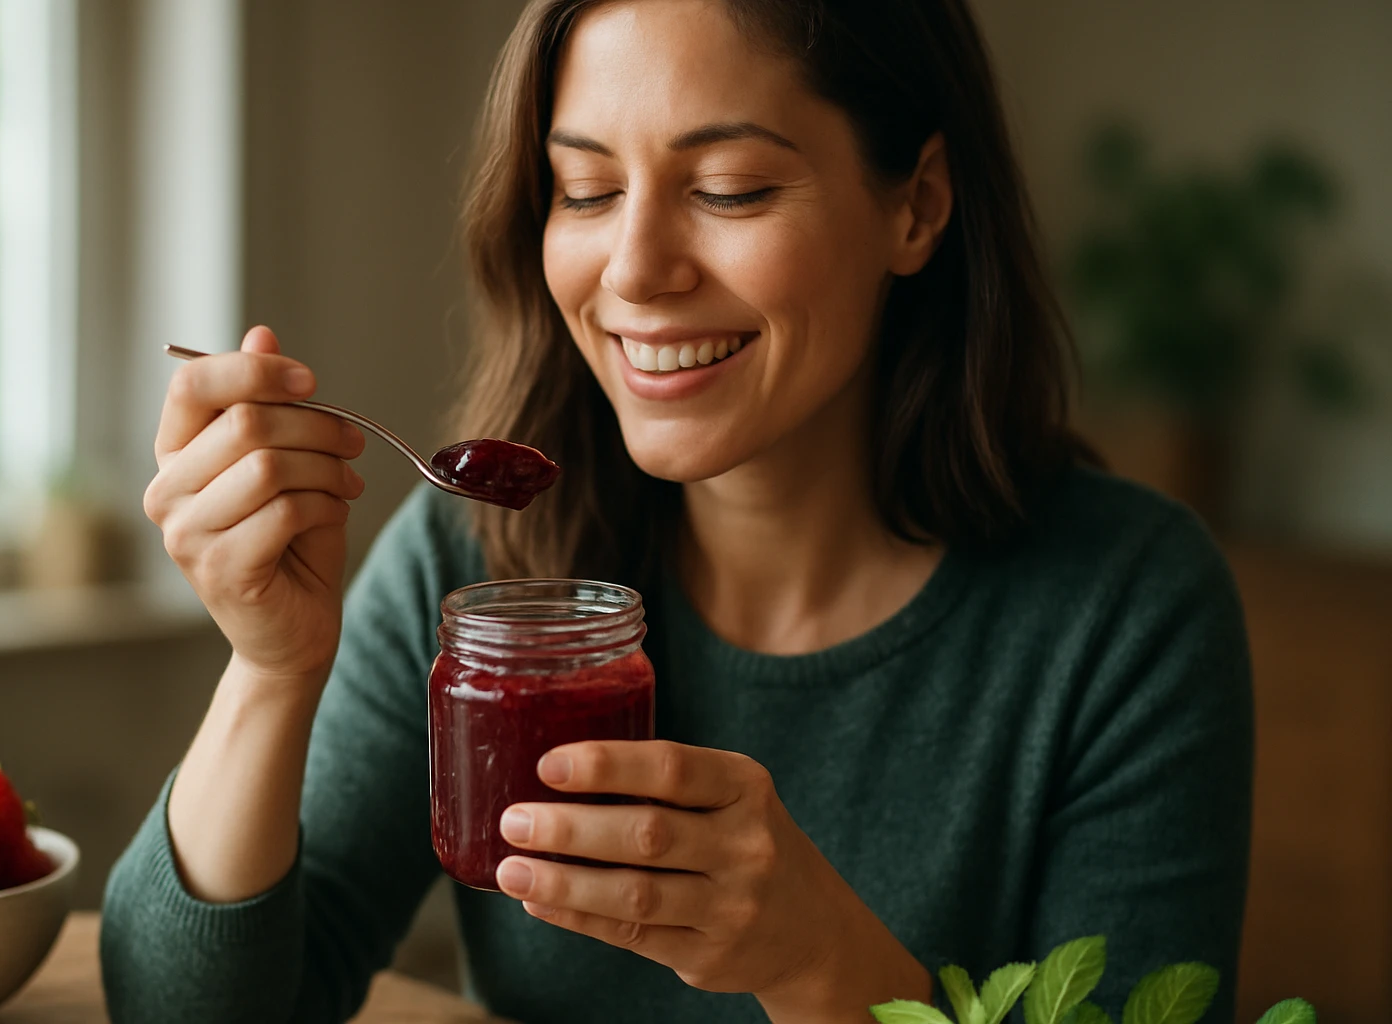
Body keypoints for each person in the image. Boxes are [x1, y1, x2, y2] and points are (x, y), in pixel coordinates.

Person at [101, 1, 1253, 1022]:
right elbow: (183, 1006)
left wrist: (818, 963)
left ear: (917, 205)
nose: (636, 268)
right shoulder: (483, 557)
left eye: (729, 189)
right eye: (587, 190)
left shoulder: (1128, 609)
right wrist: (270, 667)